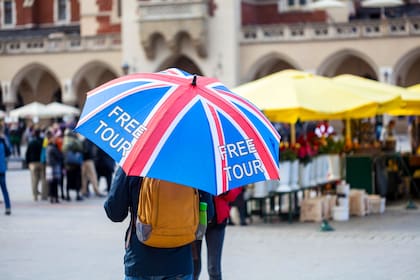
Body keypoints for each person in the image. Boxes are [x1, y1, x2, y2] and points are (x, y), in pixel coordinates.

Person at [104, 167, 199, 280]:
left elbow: (115, 213)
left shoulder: (135, 162)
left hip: (140, 260)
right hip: (180, 262)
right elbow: (209, 213)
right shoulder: (192, 167)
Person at [192, 188, 242, 280]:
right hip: (196, 222)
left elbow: (234, 193)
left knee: (214, 268)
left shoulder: (224, 173)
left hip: (217, 222)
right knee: (194, 266)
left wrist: (224, 191)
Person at [25, 128, 48, 201]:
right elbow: (45, 150)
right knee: (44, 179)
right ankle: (44, 196)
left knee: (34, 180)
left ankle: (35, 196)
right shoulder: (43, 141)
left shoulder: (31, 142)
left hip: (32, 163)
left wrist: (27, 162)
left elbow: (27, 153)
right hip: (41, 162)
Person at [62, 129, 83, 201]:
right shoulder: (74, 141)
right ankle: (77, 195)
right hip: (76, 164)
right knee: (77, 179)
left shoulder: (63, 141)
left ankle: (67, 195)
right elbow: (80, 148)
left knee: (68, 180)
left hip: (67, 165)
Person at [45, 130, 63, 204]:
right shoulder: (52, 147)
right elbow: (59, 156)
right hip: (54, 166)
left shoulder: (48, 147)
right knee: (54, 183)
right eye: (53, 138)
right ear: (50, 139)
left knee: (51, 183)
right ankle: (55, 197)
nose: (54, 139)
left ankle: (52, 197)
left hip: (50, 166)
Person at [0, 124, 11, 215]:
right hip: (2, 169)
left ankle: (8, 207)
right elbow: (8, 153)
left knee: (4, 188)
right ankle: (8, 207)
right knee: (4, 189)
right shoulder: (3, 141)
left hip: (2, 169)